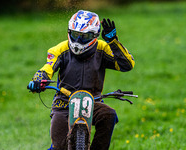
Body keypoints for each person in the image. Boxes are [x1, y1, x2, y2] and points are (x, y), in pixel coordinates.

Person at [28, 10, 135, 150]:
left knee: (109, 115)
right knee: (59, 146)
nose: (78, 41)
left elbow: (127, 65)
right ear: (69, 31)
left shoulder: (103, 48)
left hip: (93, 102)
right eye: (75, 35)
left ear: (95, 36)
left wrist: (113, 42)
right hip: (63, 103)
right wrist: (38, 79)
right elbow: (47, 68)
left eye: (85, 36)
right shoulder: (60, 49)